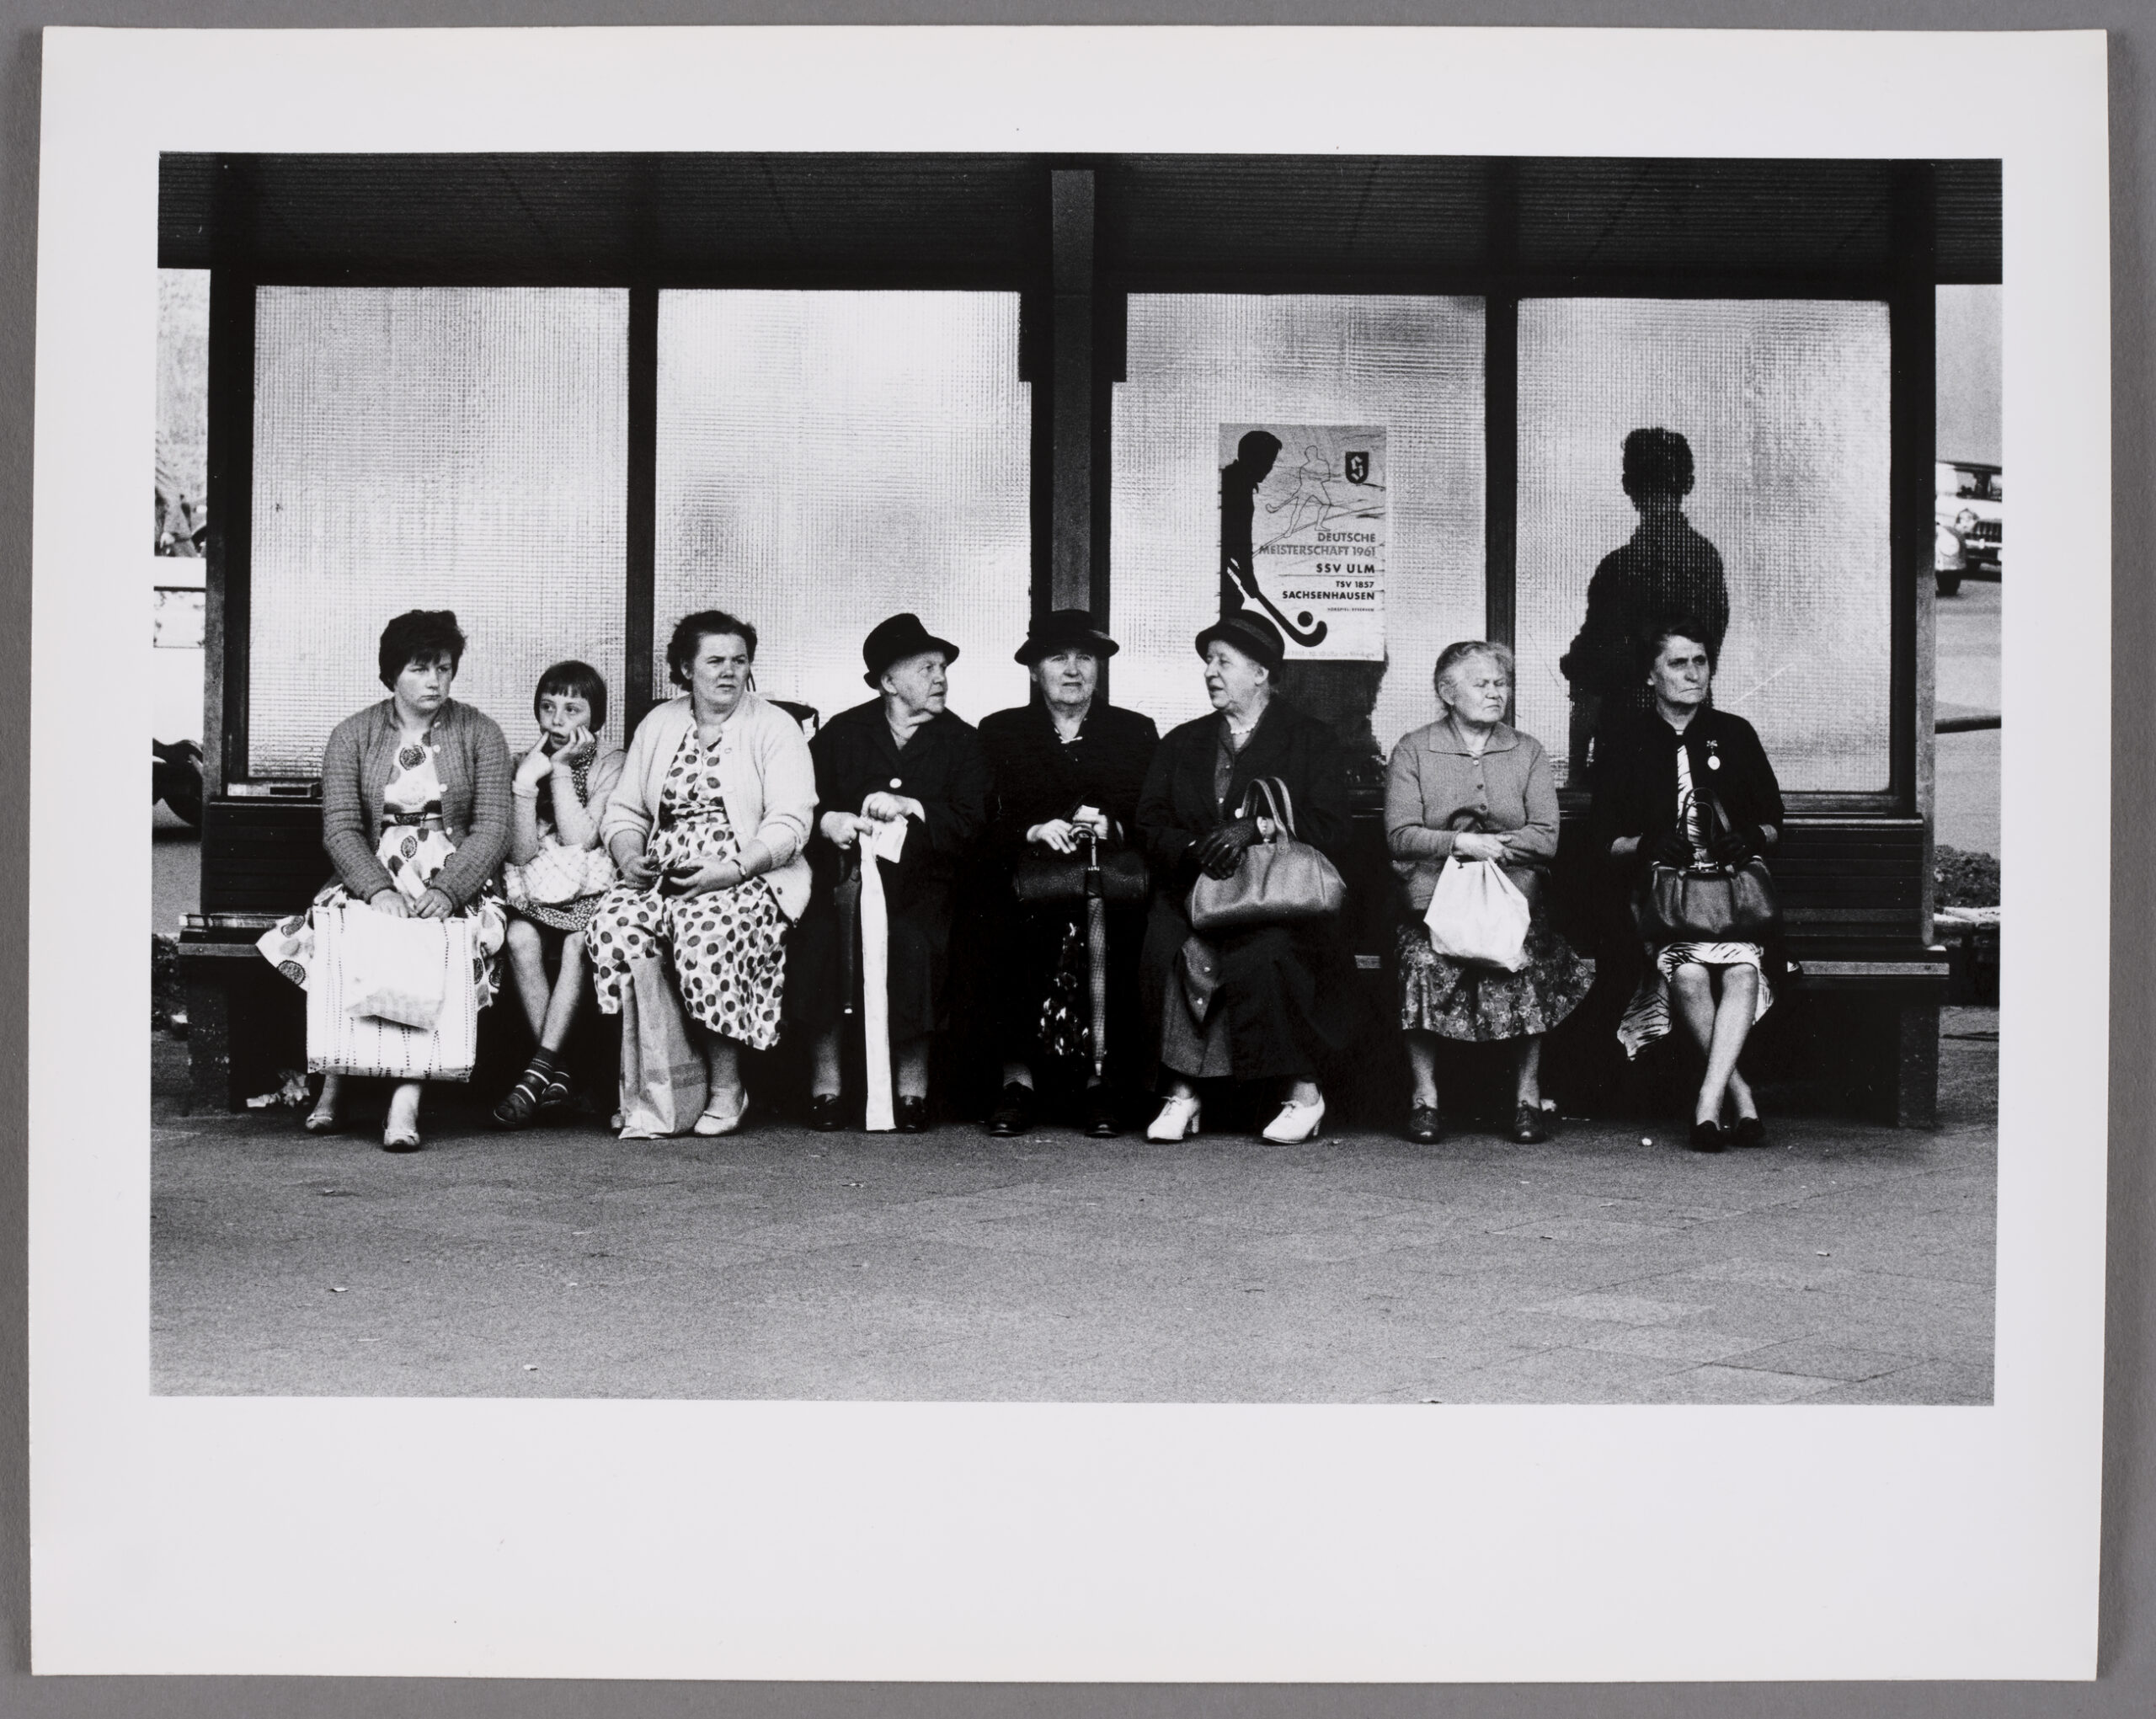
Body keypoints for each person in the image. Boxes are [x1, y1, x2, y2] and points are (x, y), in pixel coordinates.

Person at [255, 609, 511, 1152]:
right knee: (343, 934)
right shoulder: (353, 735)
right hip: (372, 871)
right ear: (392, 672)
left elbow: (492, 827)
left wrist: (448, 890)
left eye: (444, 668)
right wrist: (378, 889)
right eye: (420, 669)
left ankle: (406, 1096)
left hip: (454, 874)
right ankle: (336, 1077)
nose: (435, 681)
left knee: (440, 947)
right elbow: (342, 828)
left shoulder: (481, 733)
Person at [584, 611, 815, 1137]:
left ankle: (726, 1086)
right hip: (662, 870)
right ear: (686, 668)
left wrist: (731, 870)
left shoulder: (774, 727)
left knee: (702, 929)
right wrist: (627, 856)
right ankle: (647, 1084)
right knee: (615, 926)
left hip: (748, 873)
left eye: (739, 660)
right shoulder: (660, 724)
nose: (728, 671)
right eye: (714, 660)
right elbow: (625, 812)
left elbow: (791, 823)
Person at [1135, 609, 1352, 1145]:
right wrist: (1193, 849)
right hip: (1194, 893)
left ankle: (1303, 1092)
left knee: (1267, 951)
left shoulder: (1311, 740)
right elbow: (1150, 821)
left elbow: (1332, 827)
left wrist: (1256, 828)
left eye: (1223, 662)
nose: (1210, 671)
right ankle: (1183, 1094)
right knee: (1173, 945)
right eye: (1207, 662)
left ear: (1261, 673)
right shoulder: (1182, 742)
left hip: (1275, 899)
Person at [1385, 641, 1596, 1145]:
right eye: (1482, 684)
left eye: (1501, 683)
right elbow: (1399, 834)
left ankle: (1526, 1098)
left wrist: (1490, 849)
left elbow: (1547, 837)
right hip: (1432, 904)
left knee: (1522, 956)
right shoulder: (1414, 748)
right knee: (1420, 961)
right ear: (1447, 692)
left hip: (1514, 900)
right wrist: (1460, 842)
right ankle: (1424, 1099)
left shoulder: (1527, 751)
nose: (1495, 692)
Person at [789, 612, 990, 1134]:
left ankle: (912, 1090)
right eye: (926, 668)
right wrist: (827, 820)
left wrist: (913, 806)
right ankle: (826, 1086)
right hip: (842, 881)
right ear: (887, 682)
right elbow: (799, 802)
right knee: (821, 940)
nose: (941, 678)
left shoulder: (961, 741)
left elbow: (974, 822)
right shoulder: (844, 733)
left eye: (943, 667)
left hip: (925, 887)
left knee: (914, 943)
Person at [1591, 617, 1785, 1151]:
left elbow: (1775, 823)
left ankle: (1706, 1106)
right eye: (1678, 663)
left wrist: (1746, 838)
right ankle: (1741, 1100)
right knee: (1693, 976)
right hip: (1662, 903)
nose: (1692, 673)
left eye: (1700, 661)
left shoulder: (1735, 733)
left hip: (1729, 900)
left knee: (1743, 970)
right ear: (1650, 676)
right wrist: (1647, 844)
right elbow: (1602, 840)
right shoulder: (1623, 740)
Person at [977, 610, 1161, 1138]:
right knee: (1001, 928)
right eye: (1059, 658)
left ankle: (1100, 1084)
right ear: (1035, 671)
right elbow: (980, 819)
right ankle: (1018, 1083)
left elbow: (1154, 814)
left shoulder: (1134, 732)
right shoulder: (1000, 732)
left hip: (1110, 880)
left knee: (1127, 934)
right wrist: (1033, 830)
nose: (1073, 670)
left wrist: (1114, 825)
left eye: (1086, 658)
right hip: (1025, 881)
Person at [491, 660, 627, 1128]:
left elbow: (581, 839)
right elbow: (521, 852)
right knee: (519, 939)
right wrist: (526, 782)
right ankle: (559, 1071)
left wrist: (562, 771)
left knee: (577, 944)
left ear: (595, 716)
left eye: (572, 708)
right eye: (548, 707)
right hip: (537, 893)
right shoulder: (523, 761)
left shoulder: (611, 762)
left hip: (590, 894)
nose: (557, 719)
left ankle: (539, 1070)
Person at [1559, 428, 1730, 778]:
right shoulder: (1706, 561)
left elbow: (1589, 676)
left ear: (1628, 485)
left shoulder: (1620, 568)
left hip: (1627, 745)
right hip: (1695, 738)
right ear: (1688, 483)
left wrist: (1576, 772)